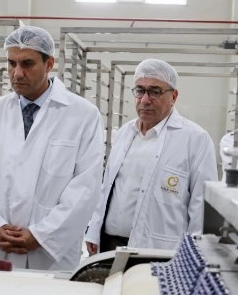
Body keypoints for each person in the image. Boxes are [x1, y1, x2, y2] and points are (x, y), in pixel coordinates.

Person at [0, 25, 103, 271]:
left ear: (50, 64)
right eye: (11, 63)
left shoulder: (83, 115)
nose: (17, 73)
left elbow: (85, 187)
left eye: (27, 64)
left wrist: (41, 235)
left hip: (49, 255)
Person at [85, 59, 218, 254]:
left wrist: (193, 255)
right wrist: (94, 229)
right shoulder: (125, 133)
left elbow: (202, 208)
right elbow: (107, 188)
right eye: (140, 91)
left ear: (173, 96)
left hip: (159, 250)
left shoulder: (196, 139)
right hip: (108, 245)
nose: (145, 100)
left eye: (155, 92)